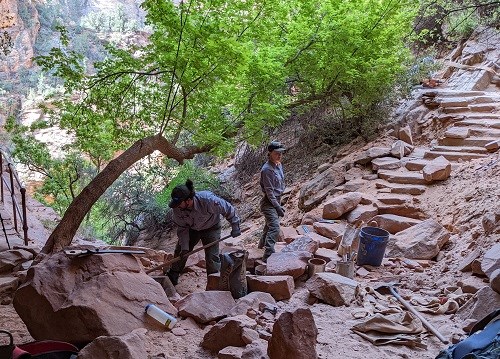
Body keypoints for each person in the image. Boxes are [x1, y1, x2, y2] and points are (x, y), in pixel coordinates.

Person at [166, 179, 241, 285]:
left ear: (188, 200)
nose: (177, 206)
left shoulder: (207, 200)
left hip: (211, 227)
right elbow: (182, 229)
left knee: (212, 257)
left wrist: (235, 225)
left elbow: (227, 208)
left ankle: (214, 283)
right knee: (180, 252)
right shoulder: (177, 209)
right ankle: (172, 277)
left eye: (179, 203)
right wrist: (185, 248)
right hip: (192, 229)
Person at [259, 141, 286, 262]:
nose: (279, 156)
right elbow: (269, 192)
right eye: (276, 153)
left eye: (281, 153)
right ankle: (268, 256)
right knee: (274, 227)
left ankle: (260, 248)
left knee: (268, 226)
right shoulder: (266, 170)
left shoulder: (278, 165)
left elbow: (281, 182)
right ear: (269, 153)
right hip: (269, 202)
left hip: (277, 199)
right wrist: (277, 207)